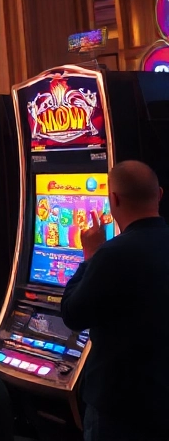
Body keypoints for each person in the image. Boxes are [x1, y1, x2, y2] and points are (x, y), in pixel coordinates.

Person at [62, 160, 169, 441]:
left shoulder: (112, 254)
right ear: (159, 194)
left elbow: (72, 314)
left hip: (119, 405)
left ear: (114, 199)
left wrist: (90, 255)